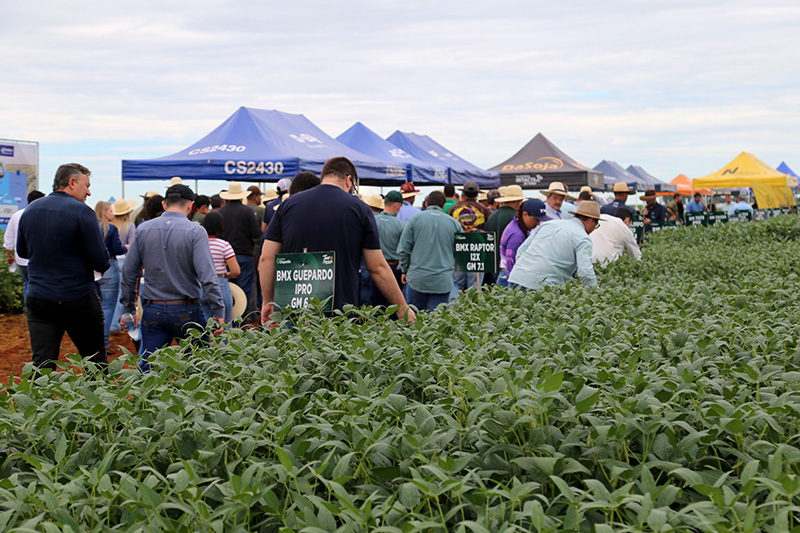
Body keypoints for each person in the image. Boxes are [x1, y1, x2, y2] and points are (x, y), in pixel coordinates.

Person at [259, 156, 415, 323]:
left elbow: (266, 258)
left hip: (293, 311)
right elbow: (377, 267)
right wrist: (402, 307)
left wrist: (268, 301)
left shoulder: (288, 205)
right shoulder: (359, 209)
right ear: (349, 180)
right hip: (341, 315)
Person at [121, 183, 224, 373]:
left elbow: (129, 272)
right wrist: (218, 310)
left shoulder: (143, 229)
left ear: (164, 204)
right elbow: (207, 276)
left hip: (153, 309)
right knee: (199, 370)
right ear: (191, 205)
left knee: (148, 370)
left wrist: (128, 308)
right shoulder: (195, 231)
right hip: (187, 310)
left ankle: (145, 402)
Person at [17, 163, 110, 373]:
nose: (89, 191)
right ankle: (101, 403)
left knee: (42, 366)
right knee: (95, 362)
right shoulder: (82, 212)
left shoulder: (31, 209)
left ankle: (40, 404)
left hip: (39, 298)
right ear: (71, 182)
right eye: (86, 185)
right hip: (76, 296)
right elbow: (100, 261)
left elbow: (22, 252)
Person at [508, 201, 600, 291]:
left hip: (516, 279)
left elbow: (521, 250)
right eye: (596, 225)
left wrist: (523, 272)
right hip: (542, 287)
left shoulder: (549, 224)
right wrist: (595, 292)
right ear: (591, 220)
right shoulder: (583, 238)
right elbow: (585, 273)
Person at [396, 191, 462, 311]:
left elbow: (403, 249)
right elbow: (461, 253)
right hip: (442, 280)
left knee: (413, 319)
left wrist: (405, 270)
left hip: (417, 278)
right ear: (443, 206)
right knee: (437, 321)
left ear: (426, 204)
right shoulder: (454, 224)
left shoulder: (414, 220)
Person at [218, 182, 260, 320]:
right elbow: (255, 233)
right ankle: (243, 319)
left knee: (228, 288)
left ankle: (229, 318)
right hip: (245, 254)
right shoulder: (247, 211)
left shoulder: (220, 212)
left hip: (226, 256)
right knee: (245, 289)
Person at [447, 180, 494, 297]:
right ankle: (472, 312)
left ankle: (453, 310)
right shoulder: (485, 210)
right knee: (475, 285)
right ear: (477, 194)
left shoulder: (453, 209)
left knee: (456, 284)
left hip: (459, 249)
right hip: (477, 250)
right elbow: (490, 228)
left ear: (464, 194)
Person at [94, 201, 128, 355]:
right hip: (109, 267)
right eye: (111, 211)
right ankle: (104, 343)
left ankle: (95, 342)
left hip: (92, 268)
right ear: (105, 212)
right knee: (108, 307)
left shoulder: (91, 227)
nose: (113, 214)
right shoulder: (111, 228)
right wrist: (126, 247)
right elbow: (117, 250)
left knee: (96, 306)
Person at [4, 190, 45, 304]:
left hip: (21, 258)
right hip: (40, 259)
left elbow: (9, 238)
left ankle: (29, 311)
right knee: (42, 285)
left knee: (27, 284)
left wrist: (9, 256)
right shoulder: (43, 215)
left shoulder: (17, 215)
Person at [498, 198, 551, 286]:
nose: (538, 223)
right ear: (525, 214)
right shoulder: (517, 235)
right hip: (509, 280)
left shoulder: (519, 226)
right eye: (536, 219)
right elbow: (510, 266)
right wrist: (512, 289)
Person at [201, 211, 240, 324]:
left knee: (204, 327)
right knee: (225, 325)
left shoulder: (198, 244)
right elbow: (236, 271)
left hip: (201, 284)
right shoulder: (224, 245)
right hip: (220, 283)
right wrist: (226, 275)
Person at [109, 198, 137, 333]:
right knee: (122, 294)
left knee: (109, 298)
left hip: (112, 261)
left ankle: (109, 325)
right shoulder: (129, 226)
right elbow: (132, 246)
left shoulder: (109, 225)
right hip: (125, 260)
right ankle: (116, 325)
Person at [485, 185, 526, 278]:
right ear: (517, 201)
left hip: (493, 266)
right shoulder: (516, 218)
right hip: (510, 267)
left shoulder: (492, 217)